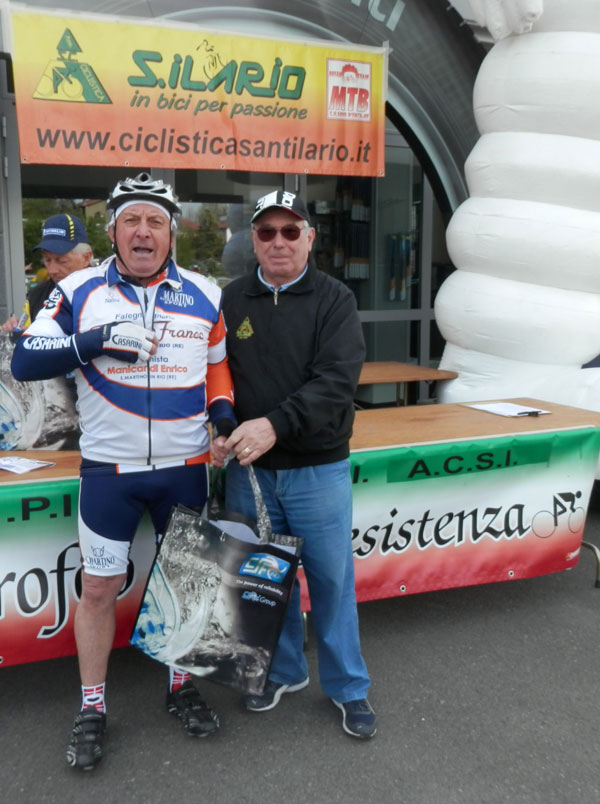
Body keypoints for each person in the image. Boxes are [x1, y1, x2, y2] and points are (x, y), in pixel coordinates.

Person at [10, 173, 236, 771]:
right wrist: (96, 340)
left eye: (155, 221)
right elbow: (24, 358)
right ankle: (92, 706)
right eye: (131, 220)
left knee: (183, 582)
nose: (143, 231)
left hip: (186, 468)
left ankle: (180, 685)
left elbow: (217, 367)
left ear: (171, 234)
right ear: (112, 232)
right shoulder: (78, 288)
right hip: (110, 471)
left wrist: (222, 416)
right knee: (98, 589)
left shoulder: (205, 292)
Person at [211, 188, 376, 739]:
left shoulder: (335, 299)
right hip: (250, 472)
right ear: (253, 240)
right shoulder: (231, 299)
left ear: (310, 238)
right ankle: (283, 672)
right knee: (265, 581)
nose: (278, 241)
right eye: (266, 232)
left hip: (316, 470)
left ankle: (348, 687)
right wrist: (220, 424)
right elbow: (216, 374)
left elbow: (335, 383)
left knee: (331, 582)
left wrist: (273, 425)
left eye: (290, 231)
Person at [0, 213, 93, 331]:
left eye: (62, 261)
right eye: (47, 260)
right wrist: (15, 335)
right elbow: (25, 334)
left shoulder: (106, 292)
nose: (52, 270)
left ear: (86, 258)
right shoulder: (36, 296)